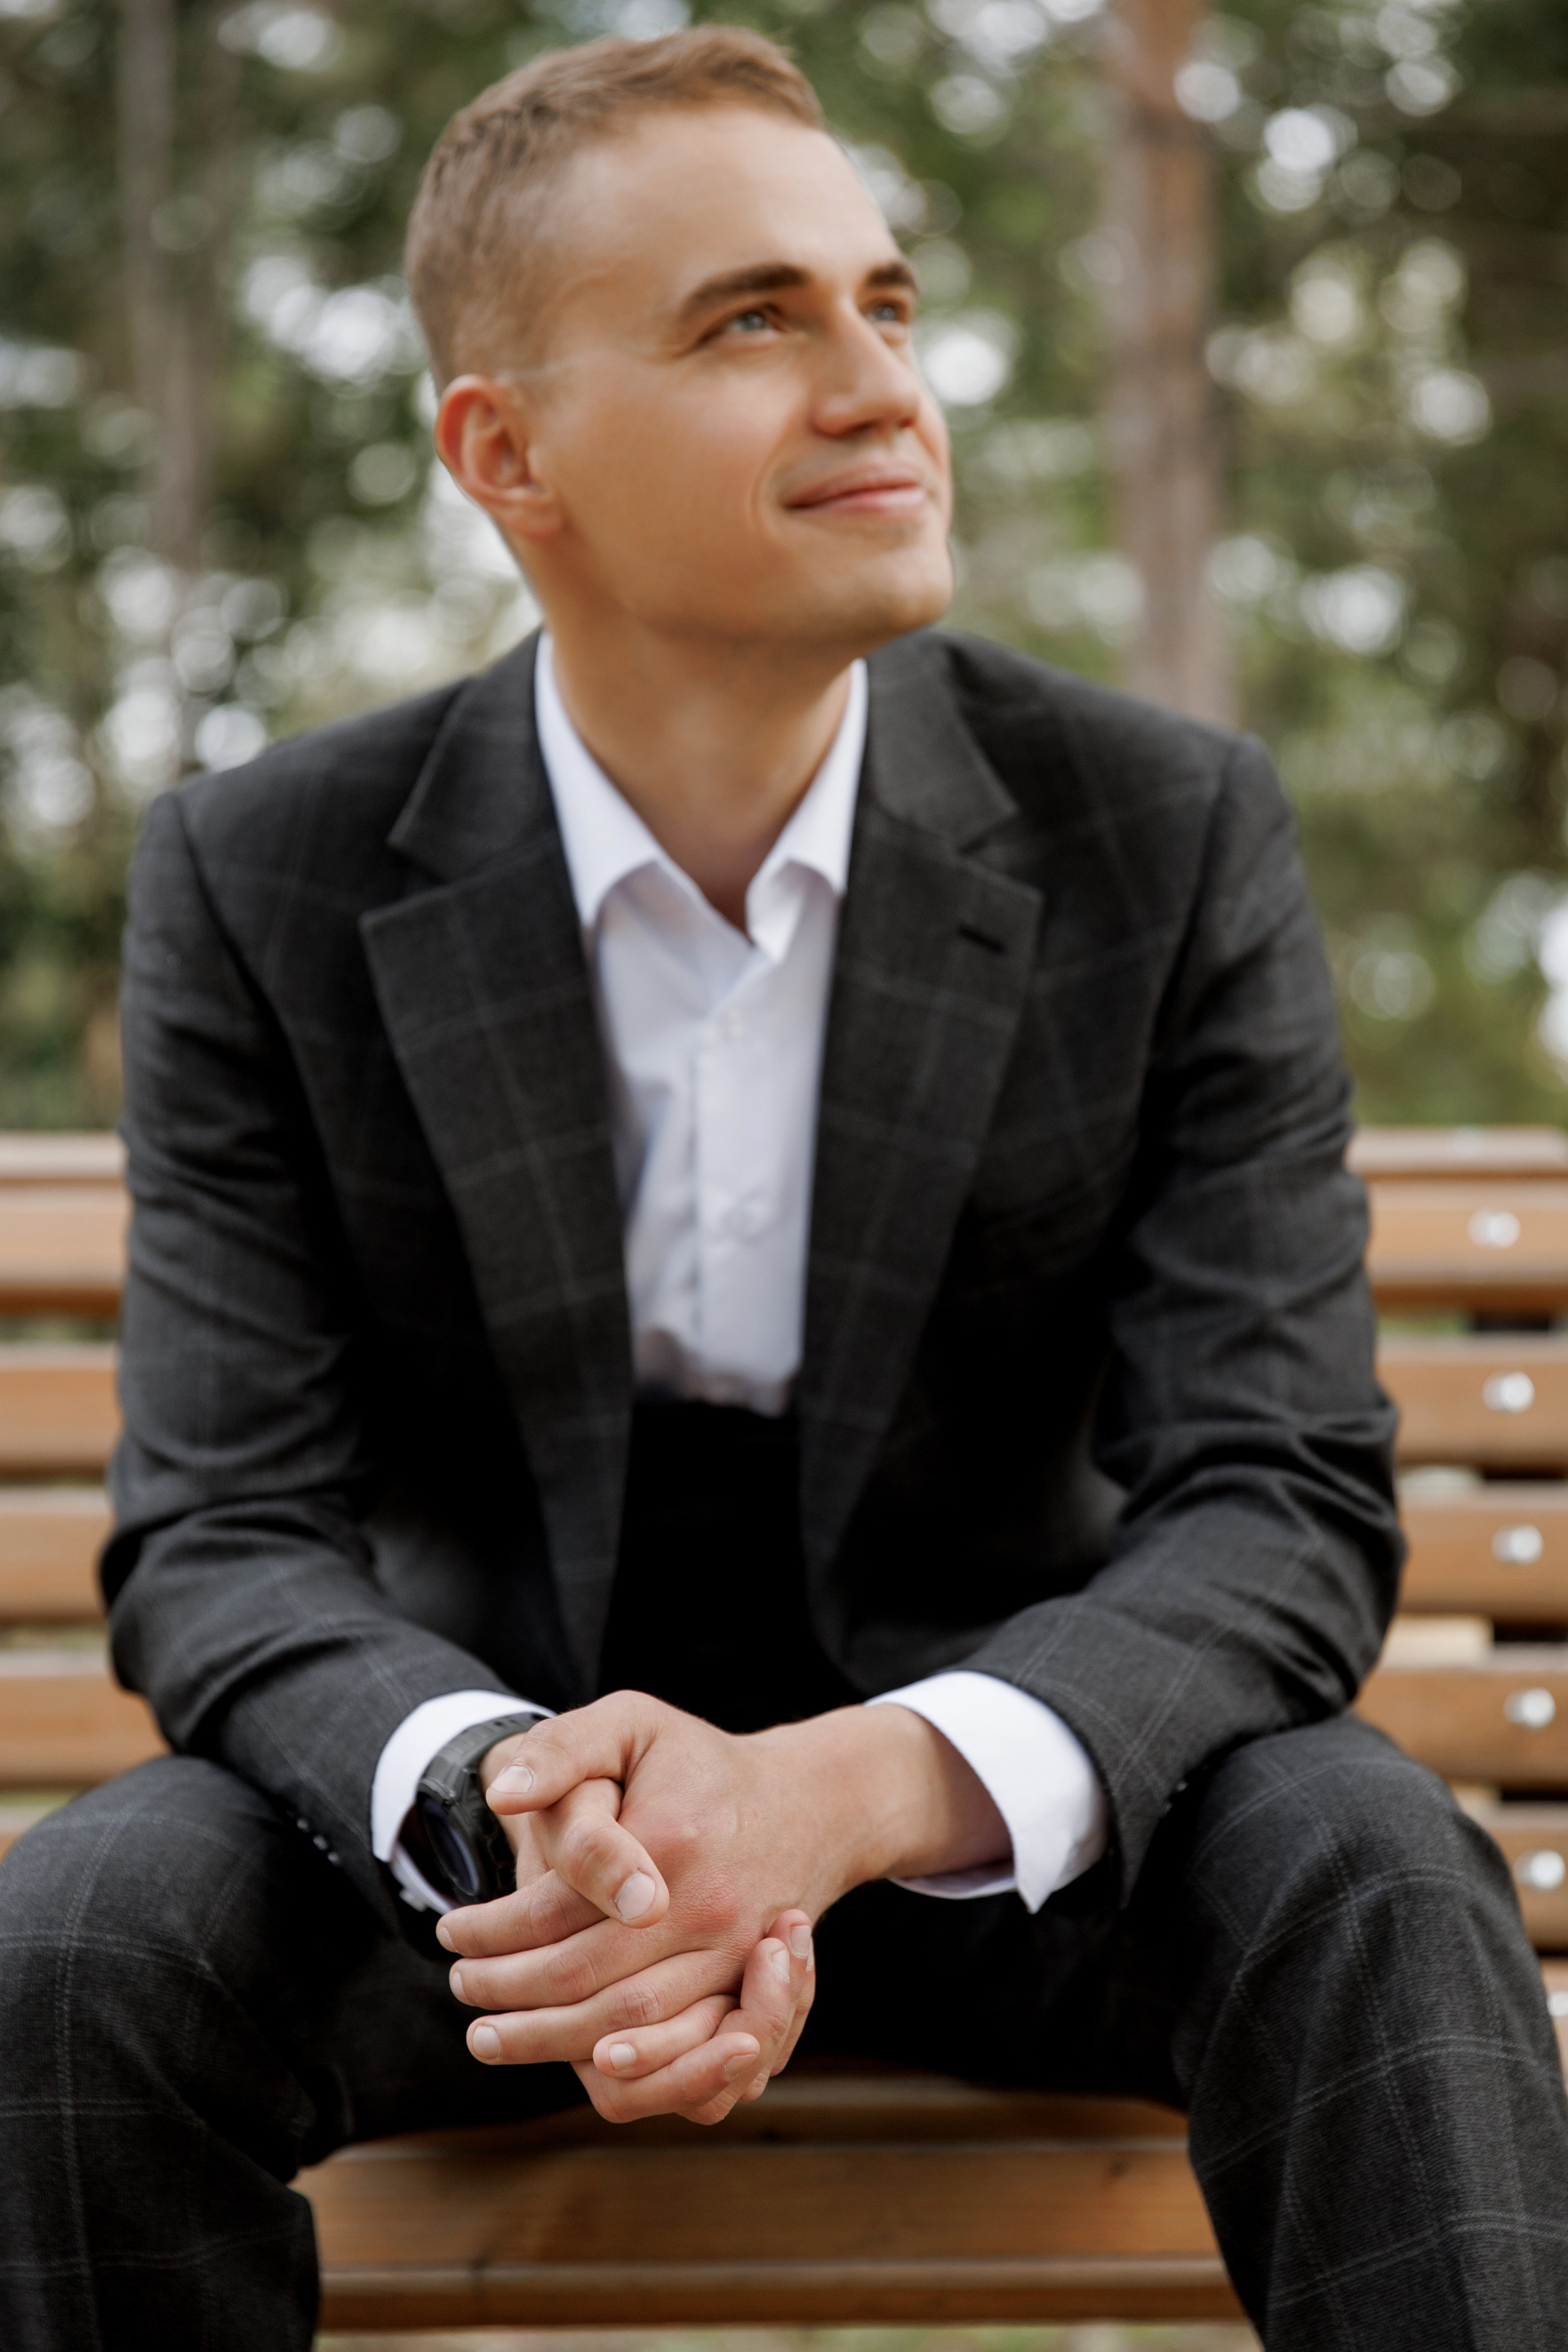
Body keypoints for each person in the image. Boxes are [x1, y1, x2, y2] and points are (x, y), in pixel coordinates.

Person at [2, 24, 1566, 2350]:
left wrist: (860, 1791)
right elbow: (223, 1532)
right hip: (507, 1872)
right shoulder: (265, 877)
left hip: (1002, 1822)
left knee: (1378, 1870)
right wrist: (511, 1791)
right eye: (755, 319)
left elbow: (1279, 1490)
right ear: (504, 452)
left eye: (887, 304)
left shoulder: (1161, 832)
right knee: (75, 1955)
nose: (882, 388)